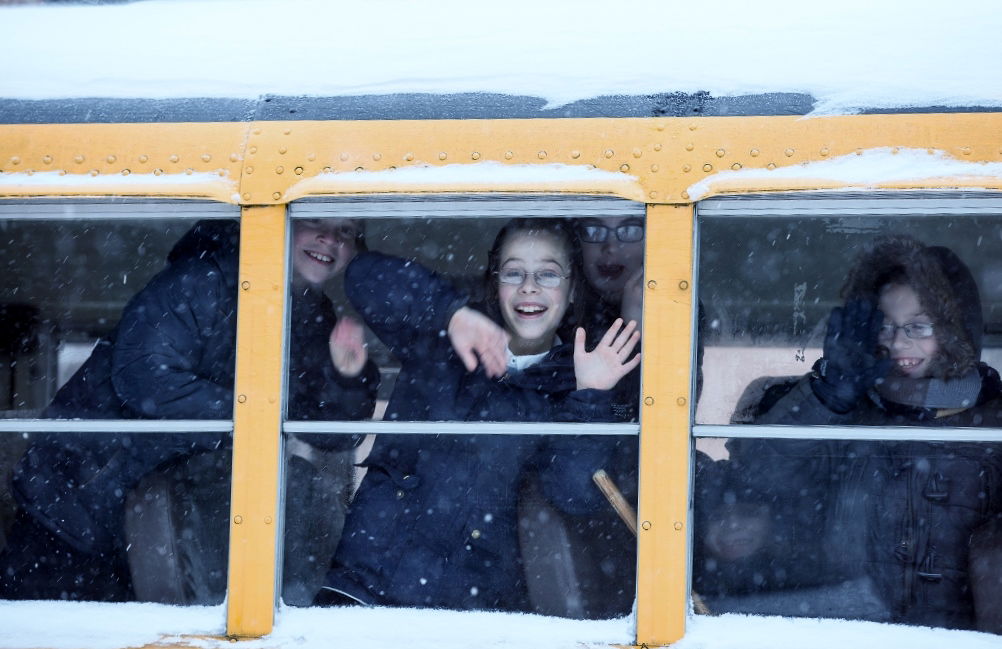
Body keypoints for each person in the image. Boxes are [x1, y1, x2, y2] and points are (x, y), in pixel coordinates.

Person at [1, 218, 379, 602]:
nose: (330, 238)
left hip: (163, 521)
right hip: (76, 499)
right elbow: (144, 377)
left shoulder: (313, 319)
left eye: (347, 231)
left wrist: (348, 378)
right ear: (279, 224)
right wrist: (252, 414)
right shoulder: (202, 281)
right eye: (314, 222)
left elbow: (333, 434)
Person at [317, 218, 640, 612]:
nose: (529, 287)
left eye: (549, 274)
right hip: (365, 589)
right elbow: (363, 277)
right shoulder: (442, 338)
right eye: (514, 272)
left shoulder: (575, 380)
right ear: (495, 281)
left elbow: (573, 493)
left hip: (474, 611)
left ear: (572, 290)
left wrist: (591, 395)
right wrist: (450, 314)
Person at [695, 235, 1002, 631]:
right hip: (845, 628)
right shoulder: (842, 412)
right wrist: (827, 395)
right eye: (885, 326)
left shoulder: (993, 423)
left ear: (957, 329)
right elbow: (758, 477)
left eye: (919, 326)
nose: (897, 342)